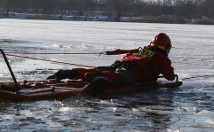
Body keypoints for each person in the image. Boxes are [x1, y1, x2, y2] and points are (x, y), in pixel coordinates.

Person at [46, 33, 177, 90]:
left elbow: (128, 55)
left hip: (121, 64)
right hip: (132, 72)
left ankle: (71, 73)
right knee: (118, 78)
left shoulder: (142, 50)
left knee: (100, 69)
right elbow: (169, 76)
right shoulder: (161, 58)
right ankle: (96, 77)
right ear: (165, 47)